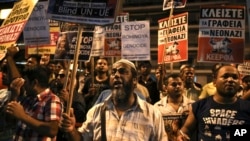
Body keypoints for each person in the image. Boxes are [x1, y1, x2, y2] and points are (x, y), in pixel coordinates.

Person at [59, 59, 168, 140]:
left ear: (134, 80)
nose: (116, 75)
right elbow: (81, 138)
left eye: (122, 71)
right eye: (113, 72)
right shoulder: (97, 111)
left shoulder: (152, 114)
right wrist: (71, 129)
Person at [177, 64, 250, 141]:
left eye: (235, 77)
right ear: (214, 81)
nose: (230, 80)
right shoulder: (199, 106)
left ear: (239, 82)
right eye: (225, 76)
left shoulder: (247, 107)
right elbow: (186, 130)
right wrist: (181, 137)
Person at [5, 65, 63, 141]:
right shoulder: (27, 98)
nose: (23, 85)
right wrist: (14, 96)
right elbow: (9, 120)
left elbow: (52, 130)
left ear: (34, 83)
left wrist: (23, 116)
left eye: (25, 82)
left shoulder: (52, 99)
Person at [154, 73, 194, 141]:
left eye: (180, 84)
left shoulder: (193, 105)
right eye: (174, 84)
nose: (178, 86)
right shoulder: (157, 107)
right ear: (165, 88)